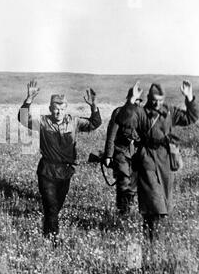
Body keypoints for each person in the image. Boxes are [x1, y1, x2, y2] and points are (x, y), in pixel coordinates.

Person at [18, 80, 102, 239]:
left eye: (62, 109)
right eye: (55, 109)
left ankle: (46, 234)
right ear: (50, 109)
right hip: (47, 172)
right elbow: (23, 119)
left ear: (66, 109)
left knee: (55, 209)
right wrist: (29, 99)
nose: (58, 113)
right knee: (51, 207)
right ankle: (53, 239)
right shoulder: (42, 122)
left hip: (65, 172)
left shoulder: (74, 121)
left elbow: (95, 123)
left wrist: (94, 106)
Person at [116, 81, 199, 240]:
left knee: (161, 207)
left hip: (165, 162)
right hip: (147, 160)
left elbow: (191, 117)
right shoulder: (140, 112)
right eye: (154, 100)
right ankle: (153, 242)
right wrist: (131, 100)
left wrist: (189, 97)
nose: (157, 103)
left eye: (160, 100)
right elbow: (124, 121)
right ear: (148, 97)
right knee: (155, 203)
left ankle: (151, 242)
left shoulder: (169, 112)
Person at [104, 85, 142, 215]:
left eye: (139, 100)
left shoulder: (141, 115)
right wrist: (108, 156)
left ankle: (128, 208)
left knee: (134, 184)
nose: (137, 102)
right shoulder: (119, 112)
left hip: (136, 153)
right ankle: (123, 211)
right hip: (121, 151)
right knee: (123, 181)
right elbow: (111, 135)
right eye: (134, 99)